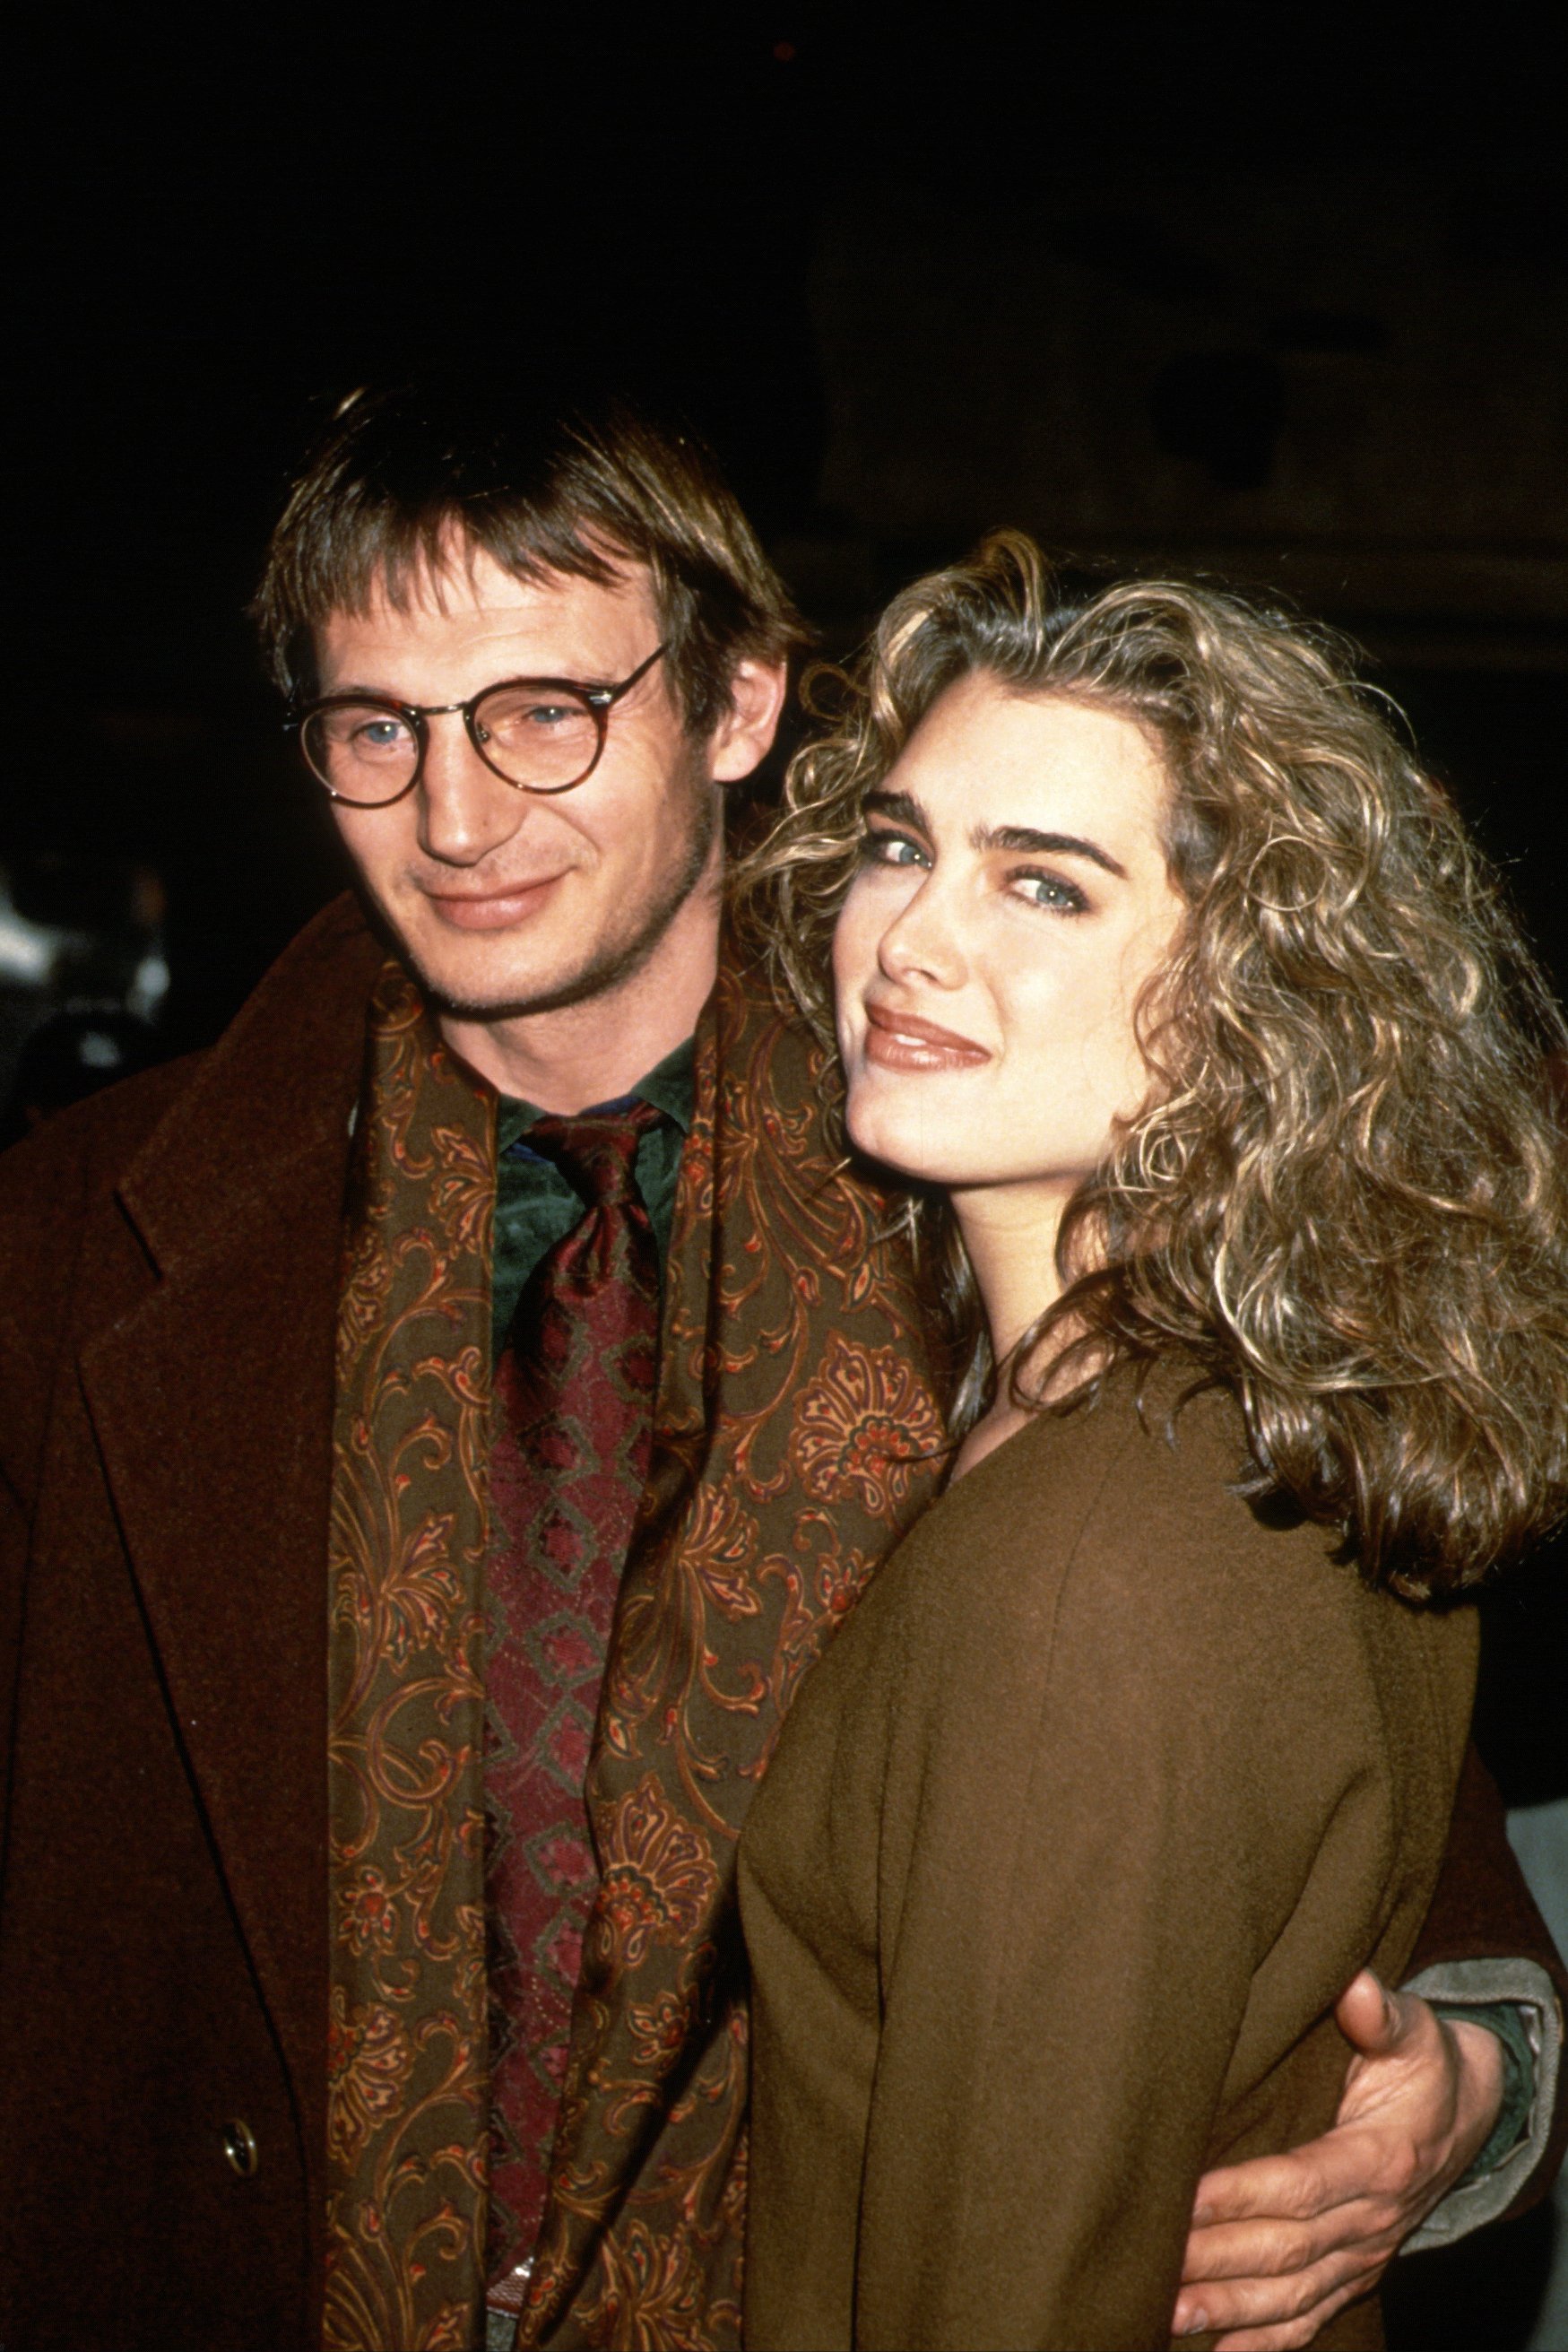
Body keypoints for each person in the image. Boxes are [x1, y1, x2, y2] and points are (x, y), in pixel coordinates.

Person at [0, 391, 1559, 2352]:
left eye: (546, 710)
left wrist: (1474, 2073)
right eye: (377, 727)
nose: (458, 817)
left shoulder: (992, 1151)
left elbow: (1329, 1719)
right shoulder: (76, 1248)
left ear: (735, 710)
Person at [735, 534, 1568, 2350]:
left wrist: (1491, 2070)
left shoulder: (1088, 1568)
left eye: (1042, 886)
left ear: (1236, 999)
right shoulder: (1240, 1410)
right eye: (898, 844)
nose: (913, 934)